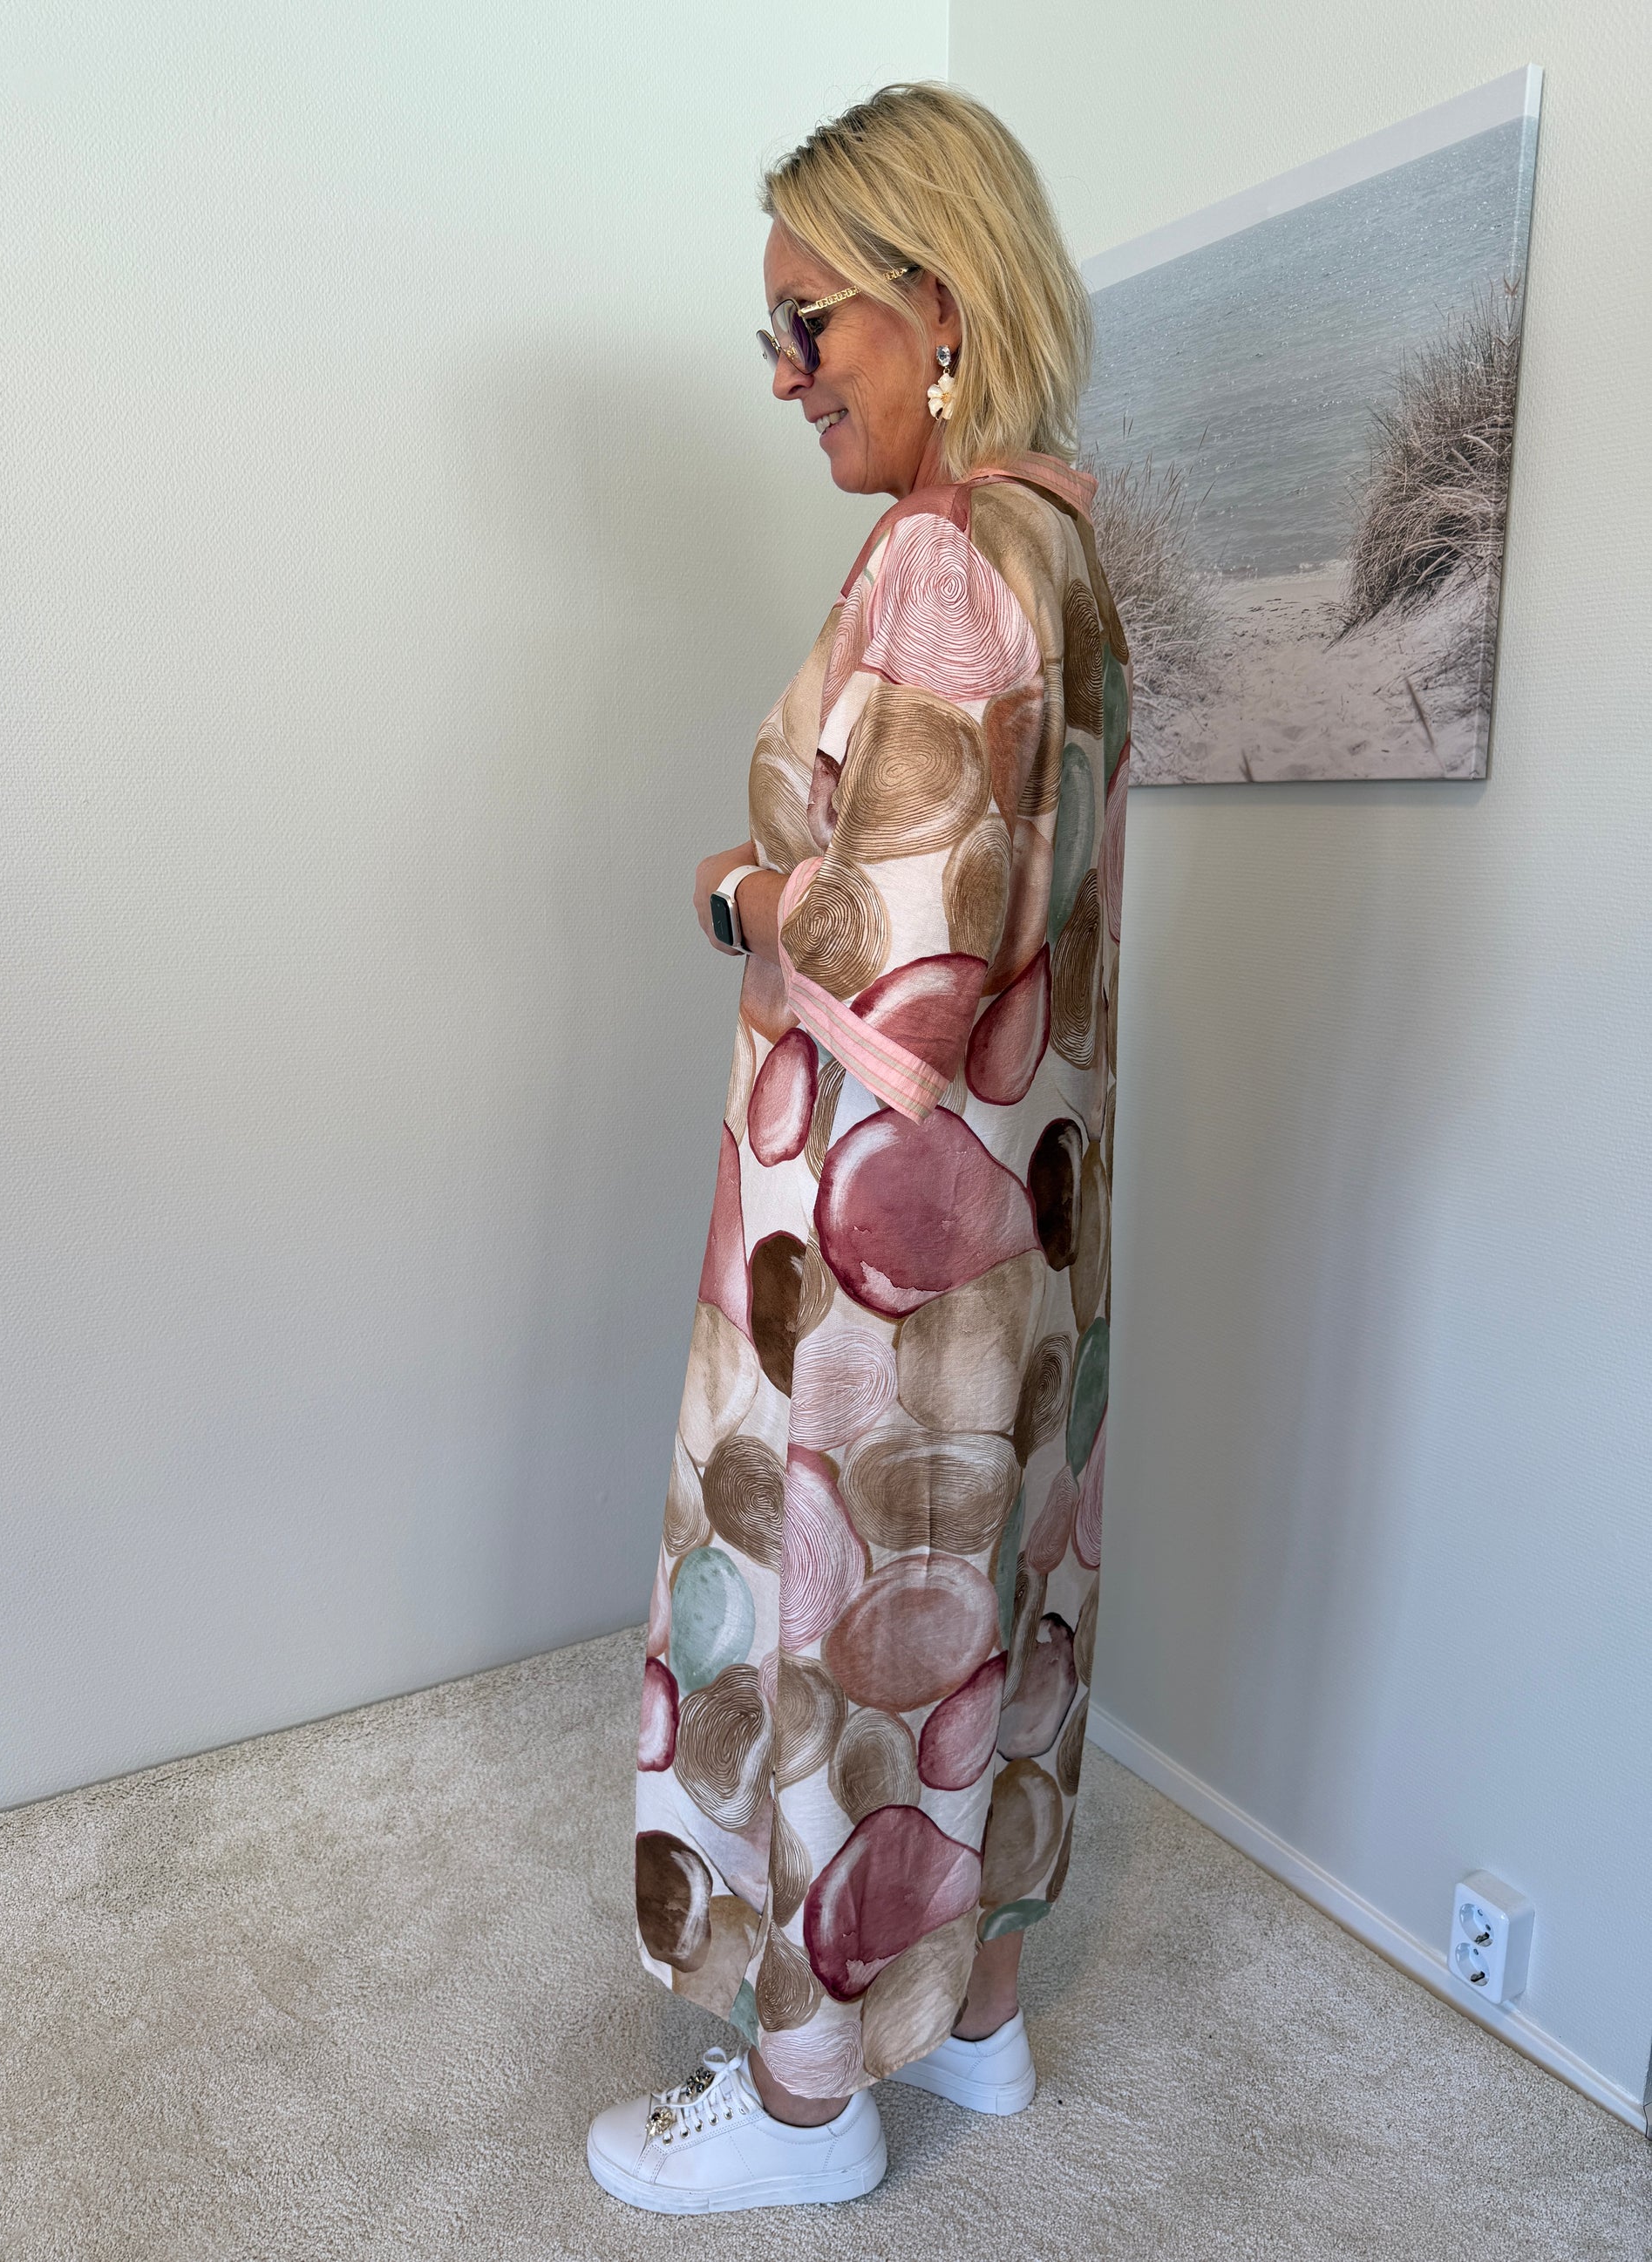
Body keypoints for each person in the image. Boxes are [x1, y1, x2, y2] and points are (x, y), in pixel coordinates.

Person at [586, 81, 1131, 2216]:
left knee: (830, 1625)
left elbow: (899, 954)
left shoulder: (937, 554)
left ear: (941, 303)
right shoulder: (1066, 546)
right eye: (777, 333)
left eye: (806, 323)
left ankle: (806, 2106)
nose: (785, 375)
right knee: (987, 1592)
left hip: (874, 1245)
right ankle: (975, 2008)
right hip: (1021, 1235)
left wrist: (741, 892)